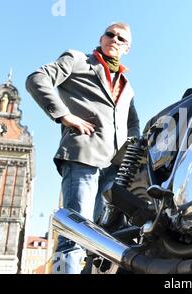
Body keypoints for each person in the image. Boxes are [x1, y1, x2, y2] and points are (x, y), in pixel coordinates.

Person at [26, 22, 140, 274]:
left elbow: (133, 123)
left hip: (114, 169)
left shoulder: (127, 86)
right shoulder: (78, 59)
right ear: (101, 38)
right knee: (75, 234)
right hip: (83, 155)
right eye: (110, 34)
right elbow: (37, 79)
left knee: (103, 239)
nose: (114, 39)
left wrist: (131, 152)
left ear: (127, 48)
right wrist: (64, 115)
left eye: (121, 38)